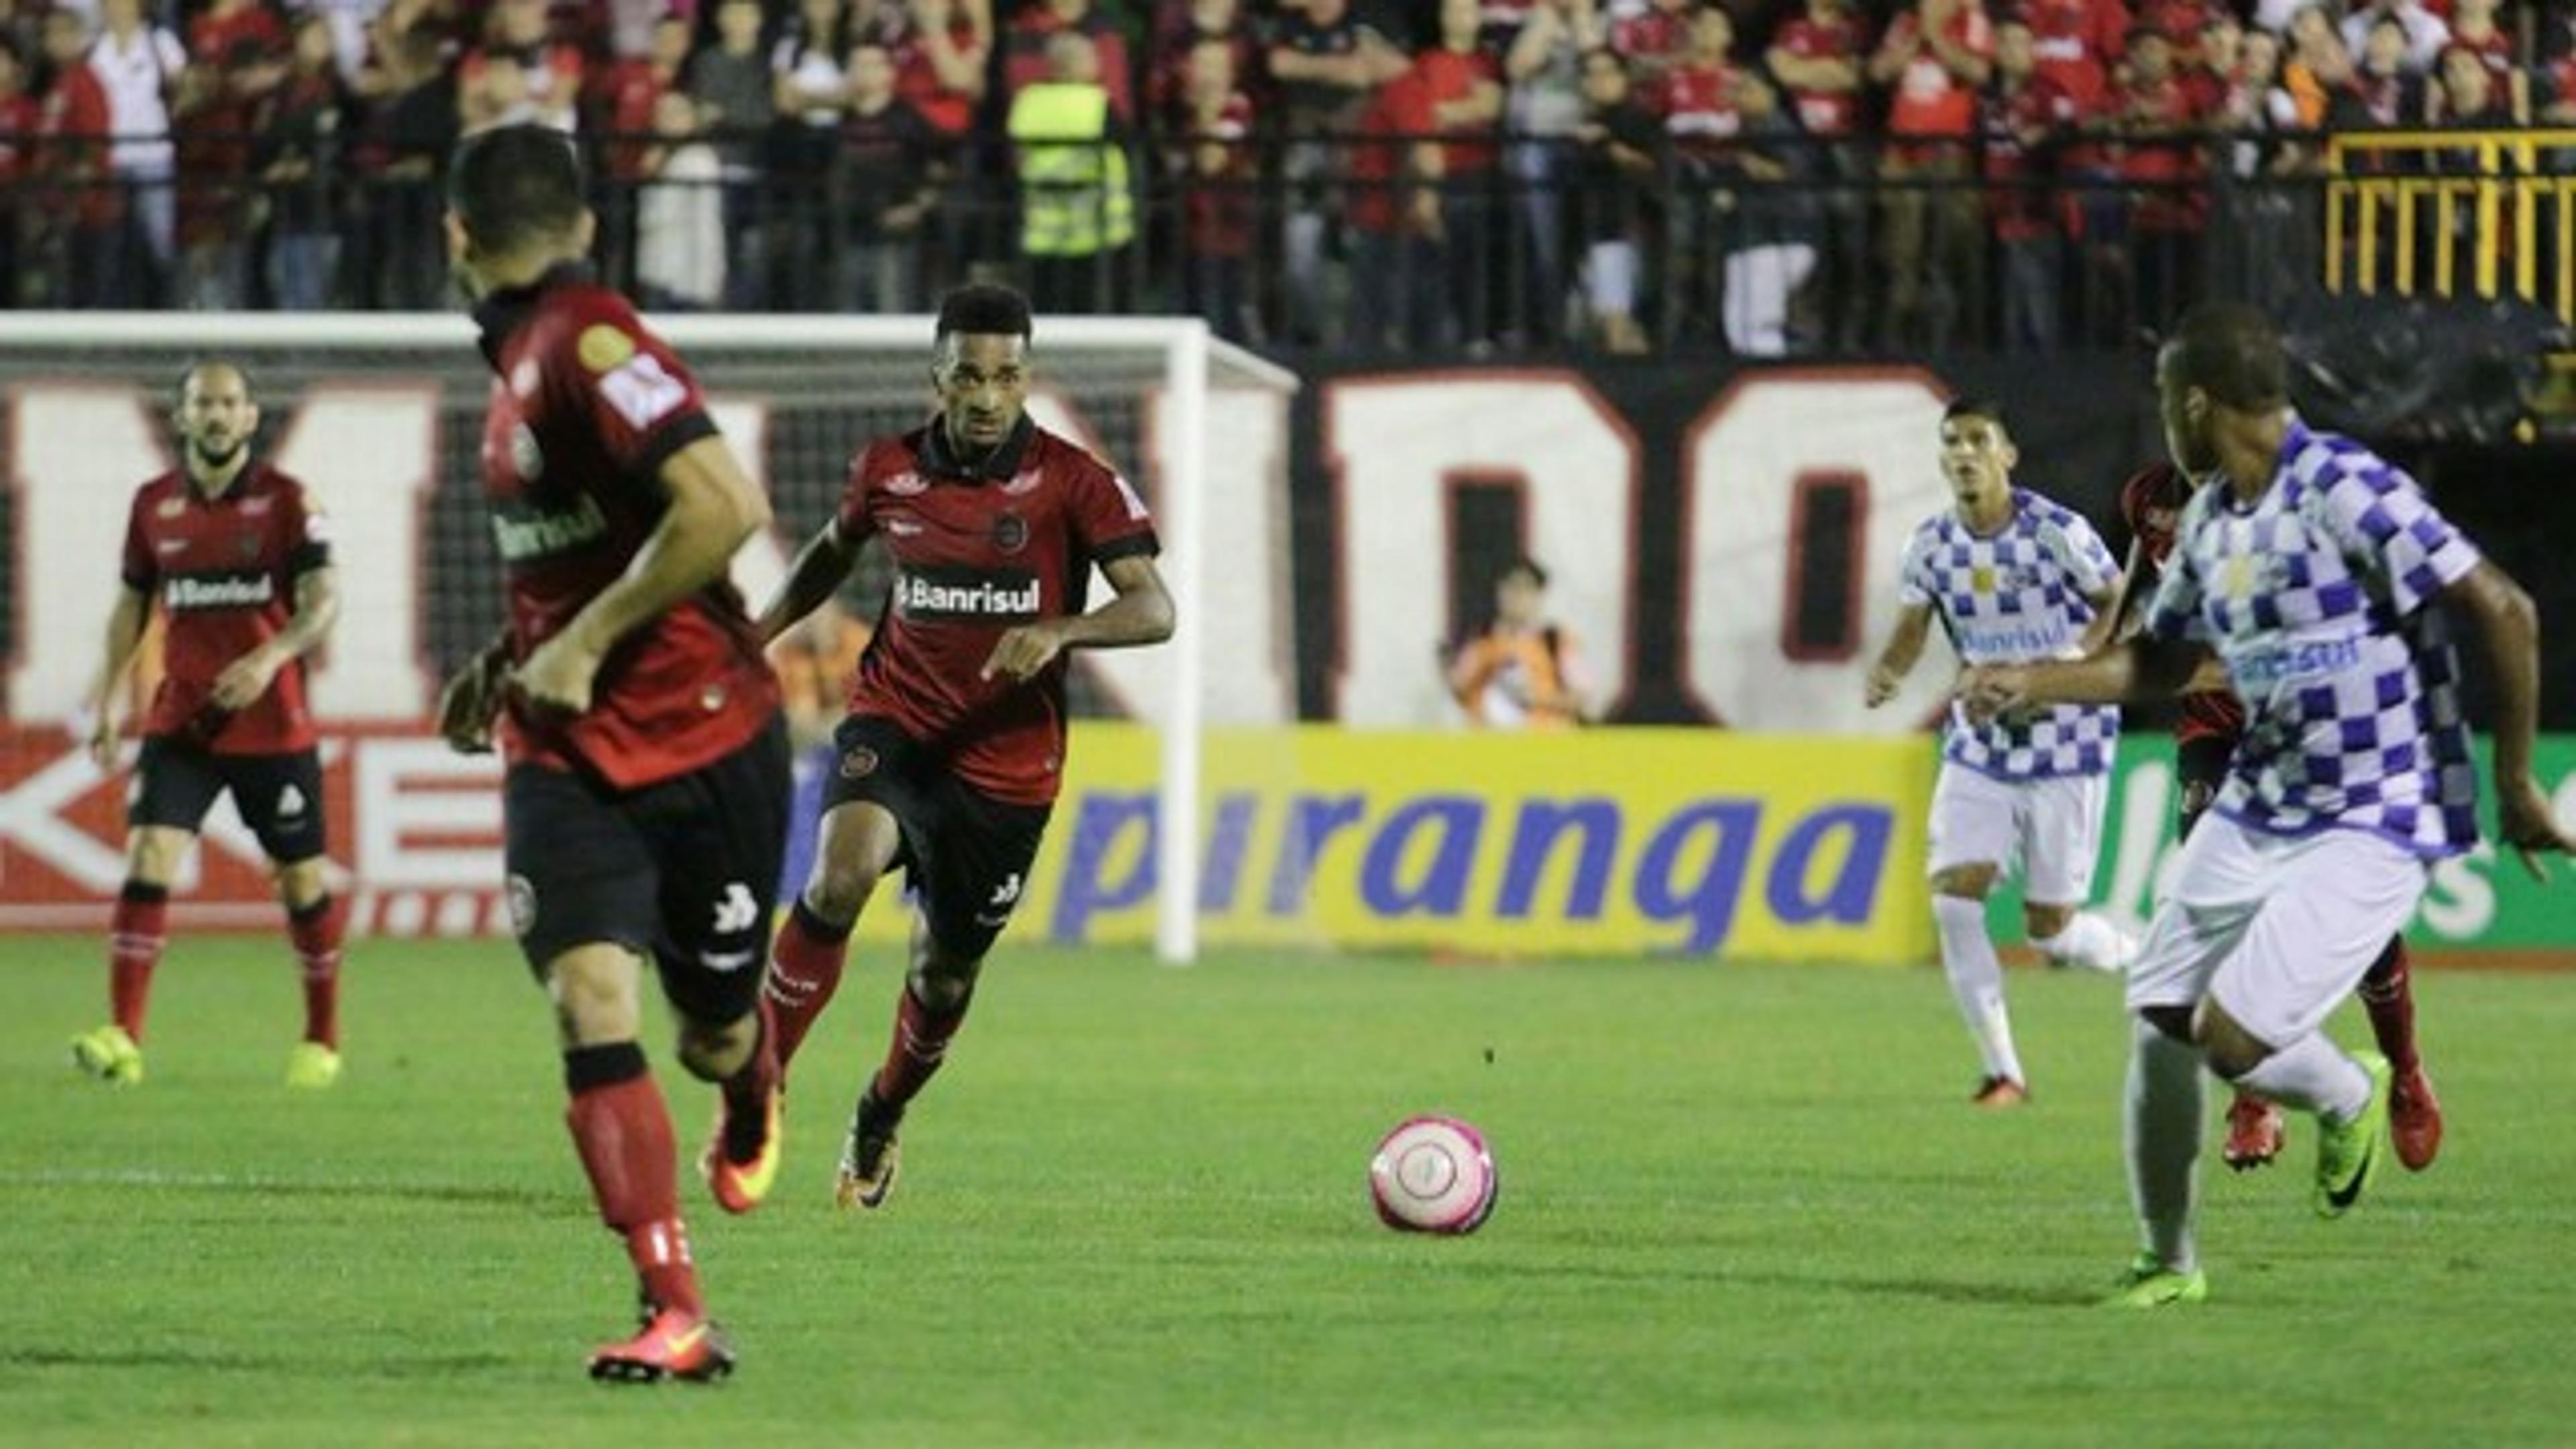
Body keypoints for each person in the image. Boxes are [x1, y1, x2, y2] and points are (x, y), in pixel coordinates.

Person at [1964, 302, 2570, 1307]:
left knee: (2228, 1037)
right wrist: (2034, 680)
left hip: (2378, 806)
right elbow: (2161, 660)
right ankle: (2170, 1262)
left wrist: (2513, 784)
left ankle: (2346, 1093)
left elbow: (2504, 607)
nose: (2162, 418)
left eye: (2164, 397)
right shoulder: (2208, 519)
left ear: (2196, 401)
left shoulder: (2345, 484)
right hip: (2264, 796)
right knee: (2158, 1015)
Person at [434, 124, 790, 1383]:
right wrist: (516, 650)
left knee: (712, 1034)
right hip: (566, 751)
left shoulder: (589, 339)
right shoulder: (523, 359)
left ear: (456, 237)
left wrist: (582, 641)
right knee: (589, 997)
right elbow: (590, 547)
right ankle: (673, 1303)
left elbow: (724, 508)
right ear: (584, 221)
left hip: (710, 735)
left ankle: (751, 1093)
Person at [757, 282, 1174, 1212]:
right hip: (896, 720)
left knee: (941, 973)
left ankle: (880, 1115)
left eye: (1007, 377)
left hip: (1007, 764)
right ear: (937, 377)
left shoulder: (1077, 481)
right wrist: (760, 632)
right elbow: (833, 549)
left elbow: (1155, 609)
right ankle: (761, 1084)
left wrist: (1061, 629)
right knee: (838, 874)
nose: (987, 396)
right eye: (969, 377)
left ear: (1028, 379)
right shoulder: (890, 469)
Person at [2113, 462, 2441, 1174]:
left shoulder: (2305, 503)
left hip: (2309, 738)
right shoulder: (2149, 500)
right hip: (2213, 734)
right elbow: (2135, 602)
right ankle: (2254, 1098)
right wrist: (2085, 660)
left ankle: (2406, 1072)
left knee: (2358, 934)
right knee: (2214, 917)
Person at [69, 362, 347, 1091]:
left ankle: (321, 1037)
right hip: (181, 723)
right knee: (149, 857)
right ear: (183, 418)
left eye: (230, 403)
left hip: (274, 725)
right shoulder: (153, 506)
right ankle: (123, 1035)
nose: (218, 415)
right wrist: (105, 698)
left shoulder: (287, 502)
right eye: (204, 404)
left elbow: (324, 600)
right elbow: (132, 604)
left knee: (300, 883)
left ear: (251, 417)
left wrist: (272, 655)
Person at [1864, 398, 2133, 1108]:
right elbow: (1912, 629)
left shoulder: (2056, 532)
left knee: (2052, 931)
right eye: (1951, 442)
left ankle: (2147, 961)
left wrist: (2063, 670)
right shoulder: (1928, 545)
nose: (1963, 453)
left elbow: (2121, 602)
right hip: (1981, 741)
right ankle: (2003, 1071)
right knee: (1955, 898)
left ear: (2007, 454)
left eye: (1978, 440)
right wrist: (1889, 670)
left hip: (2068, 739)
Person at [1447, 557, 1591, 729]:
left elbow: (1580, 697)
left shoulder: (1555, 641)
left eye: (1526, 589)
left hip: (1545, 747)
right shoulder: (1481, 641)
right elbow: (1461, 690)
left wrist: (1536, 698)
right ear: (1499, 592)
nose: (1517, 596)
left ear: (1538, 596)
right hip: (1491, 748)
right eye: (1511, 587)